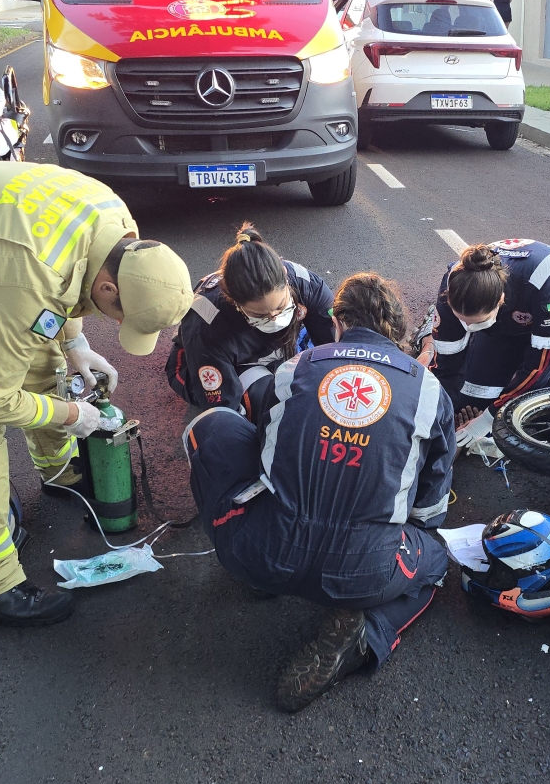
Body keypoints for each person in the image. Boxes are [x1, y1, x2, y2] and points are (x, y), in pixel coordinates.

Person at [0, 161, 193, 626]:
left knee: (41, 356)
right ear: (111, 288)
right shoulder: (25, 273)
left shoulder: (120, 229)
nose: (117, 326)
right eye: (120, 315)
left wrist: (75, 344)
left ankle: (58, 469)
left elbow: (66, 283)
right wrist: (72, 416)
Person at [185, 272, 454, 712]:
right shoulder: (427, 389)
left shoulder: (294, 369)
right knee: (436, 558)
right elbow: (430, 504)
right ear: (393, 327)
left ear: (339, 321)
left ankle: (256, 579)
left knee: (214, 426)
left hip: (264, 551)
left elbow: (264, 448)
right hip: (365, 573)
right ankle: (369, 630)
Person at [418, 239, 550, 444]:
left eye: (476, 323)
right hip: (506, 324)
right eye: (464, 322)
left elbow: (538, 367)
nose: (468, 329)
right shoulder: (454, 280)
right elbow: (446, 364)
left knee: (548, 419)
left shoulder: (547, 285)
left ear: (500, 300)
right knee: (467, 401)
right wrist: (437, 416)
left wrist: (487, 419)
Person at [166, 225, 335, 417]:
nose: (275, 319)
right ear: (233, 302)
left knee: (321, 377)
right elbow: (225, 411)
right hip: (208, 362)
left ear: (285, 276)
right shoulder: (207, 325)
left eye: (281, 307)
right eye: (261, 315)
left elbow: (336, 348)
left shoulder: (306, 283)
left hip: (272, 350)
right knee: (274, 406)